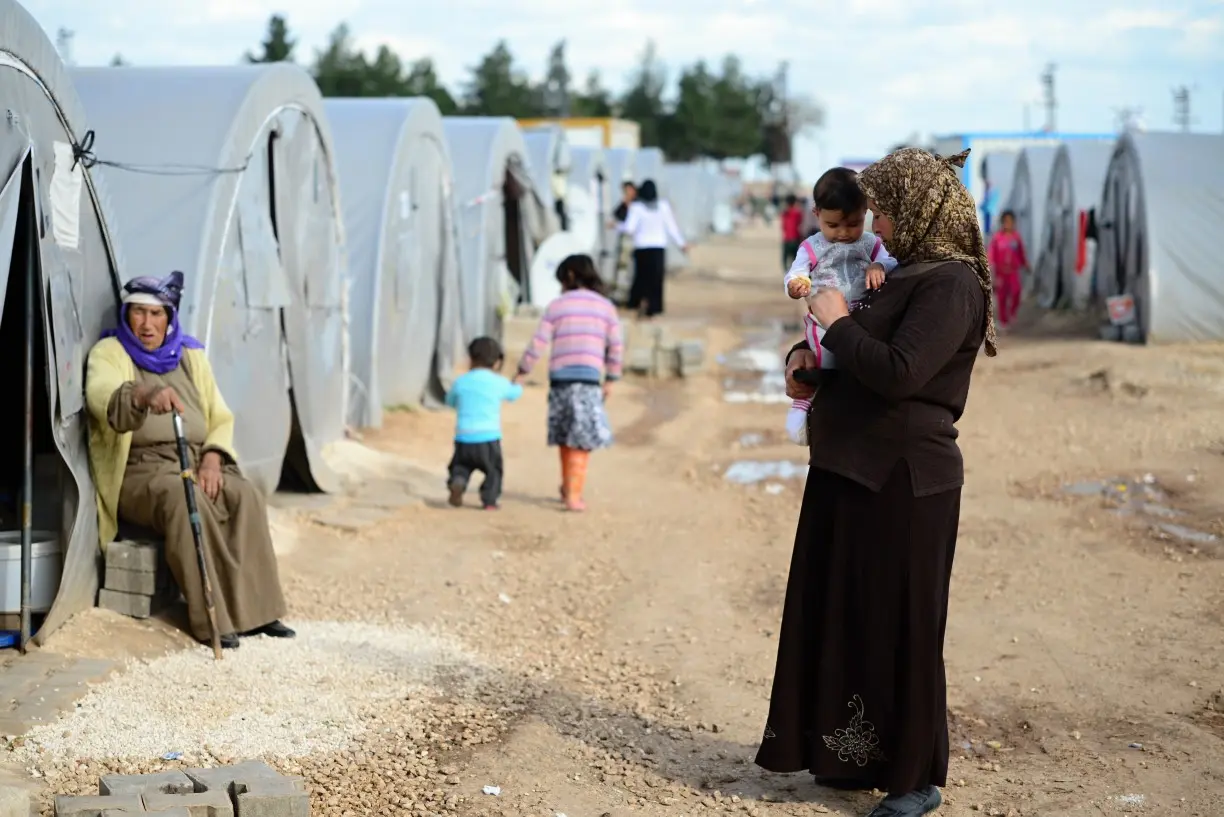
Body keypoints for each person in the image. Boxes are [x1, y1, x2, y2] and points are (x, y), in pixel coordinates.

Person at [755, 148, 995, 817]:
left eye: (884, 210)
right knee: (846, 616)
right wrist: (809, 363)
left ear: (919, 209)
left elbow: (900, 371)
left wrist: (836, 320)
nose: (876, 224)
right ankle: (847, 754)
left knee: (905, 624)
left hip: (906, 479)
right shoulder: (902, 272)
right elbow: (857, 358)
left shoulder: (950, 283)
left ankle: (915, 777)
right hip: (851, 467)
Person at [85, 272, 294, 650]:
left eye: (156, 314)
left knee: (243, 494)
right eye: (138, 313)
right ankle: (212, 618)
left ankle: (257, 612)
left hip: (196, 458)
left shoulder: (191, 355)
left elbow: (220, 415)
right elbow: (102, 397)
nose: (147, 324)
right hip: (140, 470)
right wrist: (144, 394)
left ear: (170, 318)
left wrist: (213, 457)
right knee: (186, 499)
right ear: (126, 315)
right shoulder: (110, 353)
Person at [782, 168, 898, 445]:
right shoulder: (812, 246)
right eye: (834, 226)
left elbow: (891, 261)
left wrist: (879, 265)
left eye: (854, 224)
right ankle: (806, 401)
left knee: (856, 357)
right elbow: (796, 272)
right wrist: (796, 284)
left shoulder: (871, 244)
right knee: (823, 355)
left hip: (859, 316)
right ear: (817, 214)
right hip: (823, 319)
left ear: (865, 213)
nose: (844, 233)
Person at [514, 254, 623, 512]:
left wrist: (522, 370)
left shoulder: (557, 306)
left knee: (565, 435)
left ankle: (568, 487)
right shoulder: (606, 307)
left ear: (570, 276)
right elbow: (616, 346)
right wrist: (611, 378)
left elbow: (538, 343)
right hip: (588, 382)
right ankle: (573, 493)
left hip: (561, 381)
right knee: (582, 439)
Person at [444, 337, 523, 510]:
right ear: (496, 363)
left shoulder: (461, 381)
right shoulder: (498, 382)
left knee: (460, 466)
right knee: (494, 470)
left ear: (470, 359)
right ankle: (489, 500)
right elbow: (513, 394)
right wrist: (518, 383)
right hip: (488, 437)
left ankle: (458, 481)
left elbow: (449, 400)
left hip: (464, 437)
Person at [618, 179, 688, 319]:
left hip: (641, 247)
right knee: (656, 279)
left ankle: (637, 302)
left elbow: (629, 229)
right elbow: (672, 228)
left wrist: (616, 226)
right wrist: (681, 244)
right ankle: (654, 306)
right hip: (658, 248)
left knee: (641, 277)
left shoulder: (636, 207)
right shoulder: (663, 206)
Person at [987, 209, 1028, 329]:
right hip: (1001, 273)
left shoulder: (1016, 237)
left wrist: (1025, 264)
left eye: (1010, 222)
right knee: (1002, 297)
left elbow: (1021, 253)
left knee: (1016, 291)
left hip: (1013, 272)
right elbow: (991, 254)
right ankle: (1003, 320)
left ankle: (1012, 312)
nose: (1008, 224)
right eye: (1005, 222)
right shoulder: (997, 238)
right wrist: (990, 266)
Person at [780, 193, 804, 271]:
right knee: (795, 260)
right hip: (796, 238)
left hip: (786, 239)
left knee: (785, 259)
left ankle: (787, 274)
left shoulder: (784, 213)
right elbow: (801, 224)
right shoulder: (798, 213)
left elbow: (783, 227)